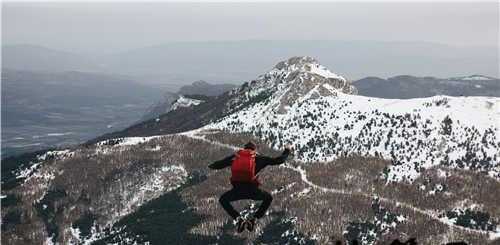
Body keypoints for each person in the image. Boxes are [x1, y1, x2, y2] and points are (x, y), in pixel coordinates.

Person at [209, 141, 291, 232]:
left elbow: (216, 165)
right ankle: (254, 219)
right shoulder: (259, 158)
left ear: (244, 149)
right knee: (268, 198)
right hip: (253, 191)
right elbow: (279, 160)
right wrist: (287, 150)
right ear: (254, 150)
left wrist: (210, 165)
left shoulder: (235, 158)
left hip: (237, 191)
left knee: (223, 200)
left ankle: (238, 219)